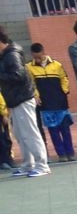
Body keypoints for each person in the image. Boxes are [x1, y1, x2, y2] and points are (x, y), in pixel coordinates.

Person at [0, 28, 50, 176]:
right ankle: (29, 163)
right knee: (20, 134)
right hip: (15, 100)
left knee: (30, 132)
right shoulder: (6, 55)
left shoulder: (12, 55)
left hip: (22, 98)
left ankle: (42, 165)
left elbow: (18, 75)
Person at [27, 43, 75, 161]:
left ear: (44, 53)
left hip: (60, 102)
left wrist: (64, 91)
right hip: (45, 104)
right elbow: (31, 84)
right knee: (53, 130)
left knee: (65, 129)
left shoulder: (57, 65)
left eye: (39, 57)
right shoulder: (28, 67)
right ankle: (61, 154)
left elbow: (64, 78)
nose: (37, 59)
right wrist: (36, 96)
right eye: (35, 57)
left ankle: (70, 153)